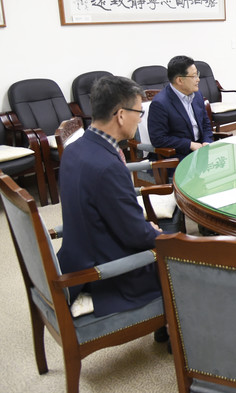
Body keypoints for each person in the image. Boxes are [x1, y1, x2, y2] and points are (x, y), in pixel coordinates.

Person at [57, 76, 162, 318]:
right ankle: (172, 330)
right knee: (187, 261)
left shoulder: (74, 149)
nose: (140, 119)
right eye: (139, 112)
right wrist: (160, 235)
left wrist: (146, 229)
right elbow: (135, 234)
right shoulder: (107, 167)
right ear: (121, 115)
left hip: (77, 258)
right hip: (106, 274)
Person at [148, 55, 213, 160]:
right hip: (177, 155)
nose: (198, 79)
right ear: (179, 80)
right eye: (194, 76)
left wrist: (207, 141)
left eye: (197, 74)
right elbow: (158, 139)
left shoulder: (197, 94)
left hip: (200, 149)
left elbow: (205, 123)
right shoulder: (160, 103)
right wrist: (189, 144)